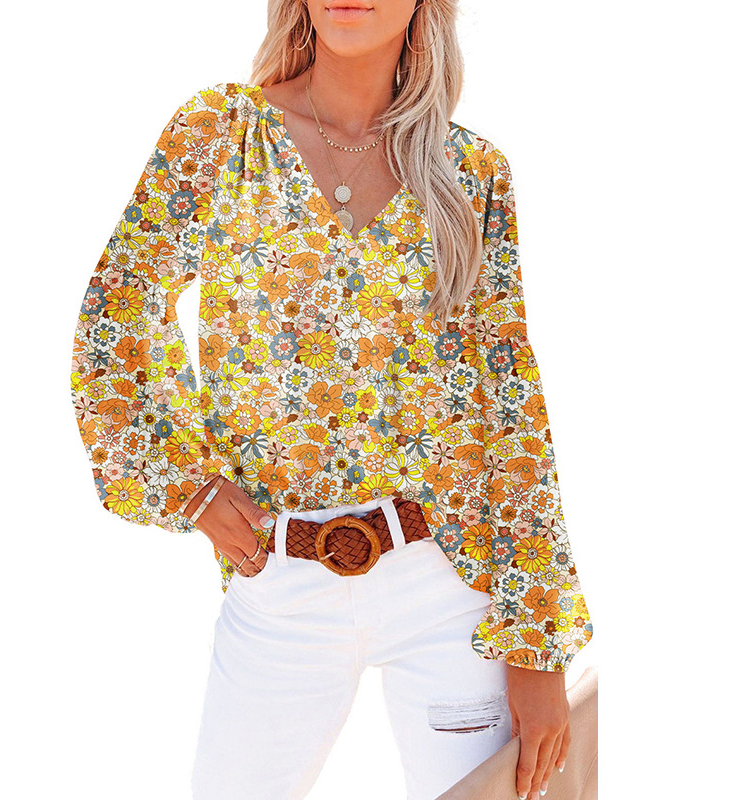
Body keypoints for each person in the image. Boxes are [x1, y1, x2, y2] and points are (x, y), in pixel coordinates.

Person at [69, 2, 594, 799]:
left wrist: (535, 642)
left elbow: (510, 401)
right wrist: (186, 485)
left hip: (449, 583)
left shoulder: (471, 173)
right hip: (280, 580)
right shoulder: (220, 134)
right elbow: (118, 315)